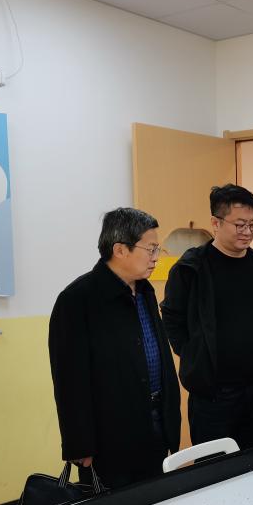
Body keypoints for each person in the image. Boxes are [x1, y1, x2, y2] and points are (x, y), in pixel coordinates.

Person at [48, 207, 181, 490]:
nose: (156, 257)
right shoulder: (77, 299)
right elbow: (69, 380)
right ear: (120, 249)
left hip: (155, 422)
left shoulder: (144, 291)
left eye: (157, 249)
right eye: (151, 249)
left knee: (157, 502)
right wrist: (79, 443)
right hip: (110, 434)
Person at [161, 184, 253, 448]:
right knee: (214, 465)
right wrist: (193, 352)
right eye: (240, 225)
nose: (248, 232)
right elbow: (171, 316)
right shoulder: (191, 267)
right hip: (213, 393)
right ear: (216, 223)